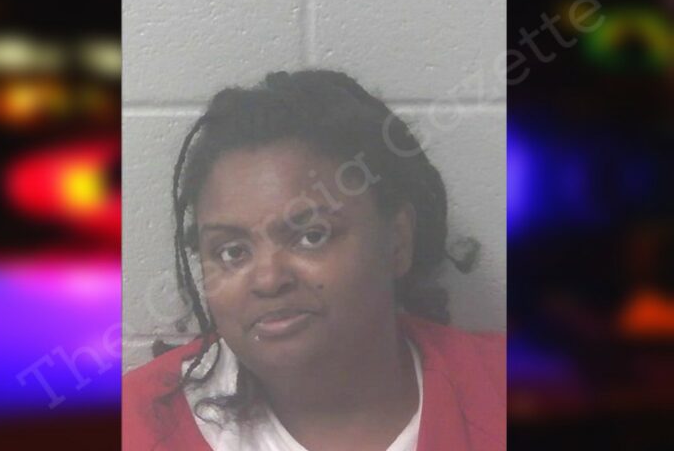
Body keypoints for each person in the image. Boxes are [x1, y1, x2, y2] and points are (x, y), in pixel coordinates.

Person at [122, 70, 505, 451]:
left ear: (397, 242)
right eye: (232, 251)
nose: (268, 279)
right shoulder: (134, 425)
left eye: (311, 236)